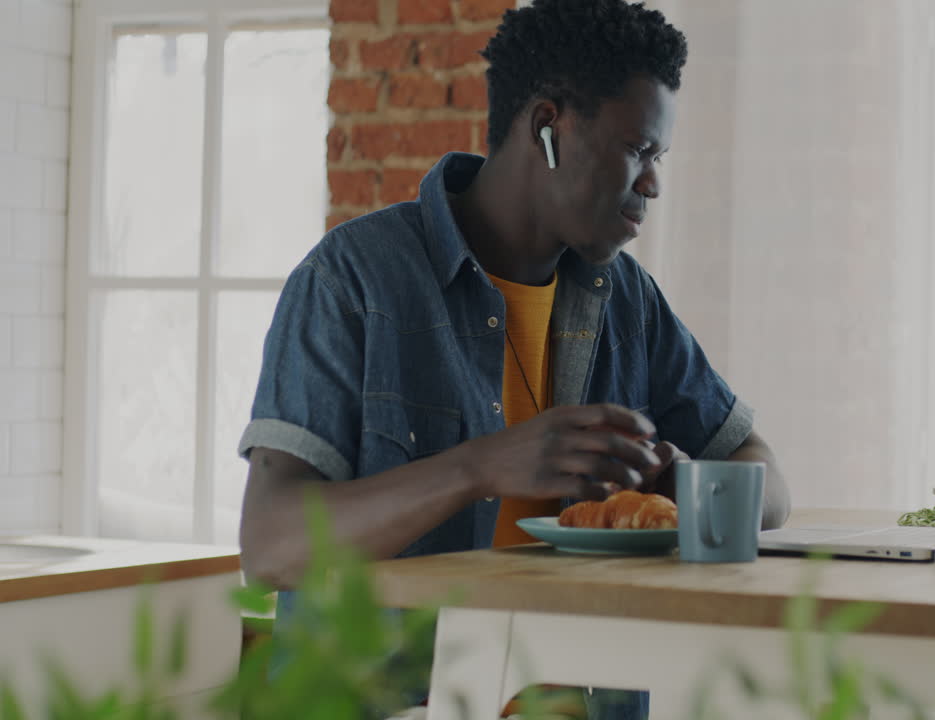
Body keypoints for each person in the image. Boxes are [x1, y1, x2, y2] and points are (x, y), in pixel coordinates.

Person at [237, 0, 791, 715]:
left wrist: (690, 490)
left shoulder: (627, 300)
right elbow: (273, 546)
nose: (653, 184)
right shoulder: (353, 279)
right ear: (547, 128)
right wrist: (481, 467)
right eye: (638, 151)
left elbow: (768, 480)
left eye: (660, 158)